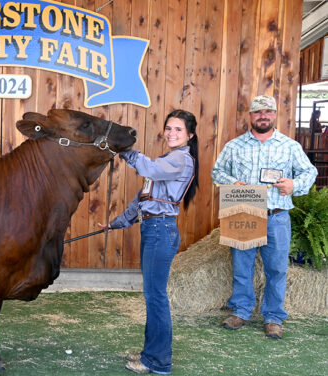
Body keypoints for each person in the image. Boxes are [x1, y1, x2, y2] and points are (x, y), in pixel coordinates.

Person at [100, 109, 199, 374]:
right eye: (168, 128)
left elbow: (150, 170)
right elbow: (143, 199)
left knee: (156, 297)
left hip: (161, 230)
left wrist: (126, 151)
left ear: (189, 135)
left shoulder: (181, 159)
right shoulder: (167, 160)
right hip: (153, 228)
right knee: (152, 295)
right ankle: (151, 353)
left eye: (178, 129)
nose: (171, 133)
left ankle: (158, 361)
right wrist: (118, 222)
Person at [211, 95, 317, 339]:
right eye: (258, 111)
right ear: (250, 115)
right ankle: (241, 311)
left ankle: (273, 317)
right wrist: (231, 181)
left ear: (275, 114)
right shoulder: (234, 146)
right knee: (241, 266)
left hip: (277, 216)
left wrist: (294, 184)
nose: (263, 115)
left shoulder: (290, 146)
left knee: (277, 269)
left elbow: (309, 171)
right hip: (243, 210)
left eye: (268, 111)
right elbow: (217, 172)